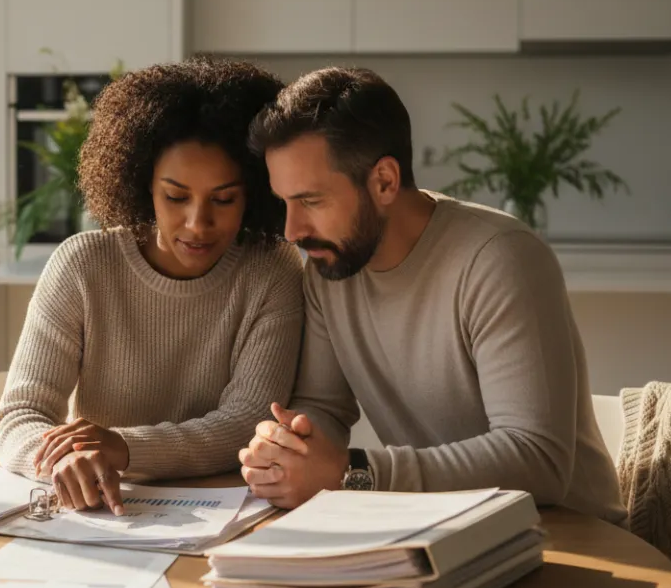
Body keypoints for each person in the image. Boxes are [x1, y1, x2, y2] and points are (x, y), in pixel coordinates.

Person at [237, 66, 627, 525]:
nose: (292, 230)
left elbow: (538, 460)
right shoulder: (330, 268)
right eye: (285, 202)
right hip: (439, 529)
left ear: (384, 180)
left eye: (312, 202)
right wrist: (290, 449)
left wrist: (353, 472)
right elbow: (323, 406)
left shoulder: (500, 260)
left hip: (570, 540)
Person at [0, 58, 305, 516]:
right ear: (142, 186)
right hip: (103, 516)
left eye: (224, 199)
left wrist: (123, 448)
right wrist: (67, 459)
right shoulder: (83, 265)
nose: (199, 224)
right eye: (176, 197)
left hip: (228, 518)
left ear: (256, 193)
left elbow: (247, 423)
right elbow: (19, 415)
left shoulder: (270, 271)